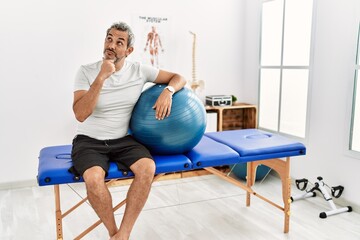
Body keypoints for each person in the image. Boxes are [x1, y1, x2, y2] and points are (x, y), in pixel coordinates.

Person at [71, 21, 186, 240]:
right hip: (89, 140)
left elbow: (179, 77)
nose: (111, 45)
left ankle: (124, 233)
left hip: (122, 139)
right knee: (94, 179)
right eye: (109, 38)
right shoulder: (86, 71)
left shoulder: (139, 70)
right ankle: (114, 233)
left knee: (147, 168)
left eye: (119, 42)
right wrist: (102, 77)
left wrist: (168, 91)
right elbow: (80, 114)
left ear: (129, 50)